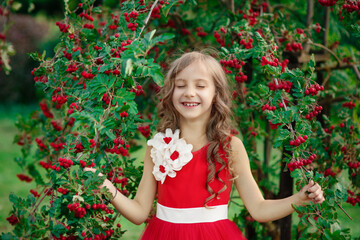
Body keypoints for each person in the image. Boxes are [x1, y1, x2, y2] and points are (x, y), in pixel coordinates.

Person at [85, 51, 325, 239]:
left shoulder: (231, 147)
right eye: (181, 85)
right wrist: (105, 185)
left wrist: (300, 199)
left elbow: (259, 209)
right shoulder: (157, 148)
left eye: (200, 86)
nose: (190, 93)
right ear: (170, 93)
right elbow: (138, 213)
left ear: (216, 94)